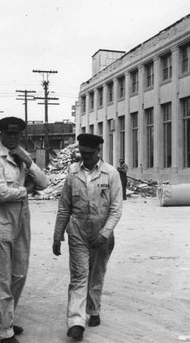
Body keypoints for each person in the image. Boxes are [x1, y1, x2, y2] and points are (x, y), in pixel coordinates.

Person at [0, 117, 48, 343]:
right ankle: (4, 331)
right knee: (0, 278)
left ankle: (3, 319)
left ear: (21, 134)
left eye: (17, 133)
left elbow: (44, 183)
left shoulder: (21, 157)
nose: (13, 137)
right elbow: (0, 193)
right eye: (8, 133)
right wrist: (26, 189)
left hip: (21, 220)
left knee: (19, 274)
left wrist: (28, 162)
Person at [53, 134, 122, 341]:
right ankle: (76, 322)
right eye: (82, 153)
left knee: (97, 273)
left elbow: (116, 209)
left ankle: (93, 309)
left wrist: (105, 233)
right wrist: (58, 235)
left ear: (98, 151)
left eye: (90, 154)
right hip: (78, 231)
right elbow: (64, 206)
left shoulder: (111, 174)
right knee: (79, 276)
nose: (86, 157)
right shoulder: (73, 172)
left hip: (102, 231)